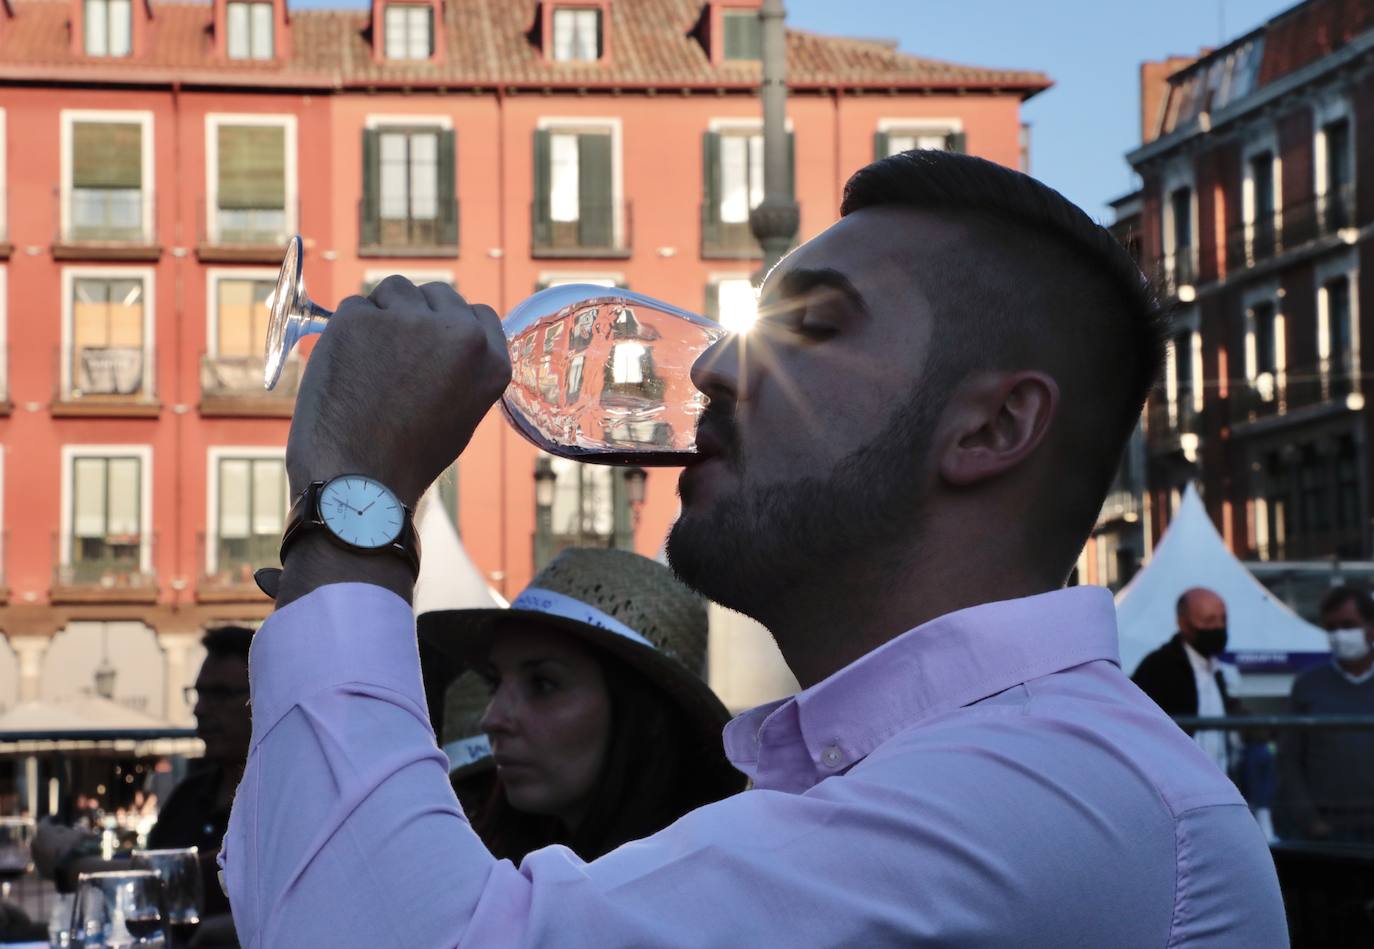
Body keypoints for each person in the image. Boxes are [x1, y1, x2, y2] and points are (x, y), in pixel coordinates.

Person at [221, 150, 1287, 945]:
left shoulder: (1051, 791)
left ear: (992, 429)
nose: (715, 368)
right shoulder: (932, 773)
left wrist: (355, 501)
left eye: (813, 327)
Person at [418, 547, 744, 861]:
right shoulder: (519, 879)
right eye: (494, 683)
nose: (492, 719)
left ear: (643, 716)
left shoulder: (693, 896)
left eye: (544, 685)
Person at [36, 625, 250, 946]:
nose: (199, 709)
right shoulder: (186, 796)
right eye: (199, 693)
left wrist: (71, 865)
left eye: (219, 694)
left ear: (263, 697)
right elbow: (149, 890)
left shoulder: (281, 799)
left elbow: (183, 882)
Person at [1276, 584, 1374, 844]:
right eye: (1331, 628)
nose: (1340, 635)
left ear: (1370, 626)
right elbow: (1288, 759)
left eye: (1348, 625)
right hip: (1327, 831)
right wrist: (1310, 821)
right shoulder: (1307, 685)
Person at [1131, 587, 1241, 775]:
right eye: (1209, 621)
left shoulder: (1218, 670)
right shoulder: (1158, 668)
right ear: (1183, 624)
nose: (1218, 627)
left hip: (1218, 783)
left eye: (1223, 619)